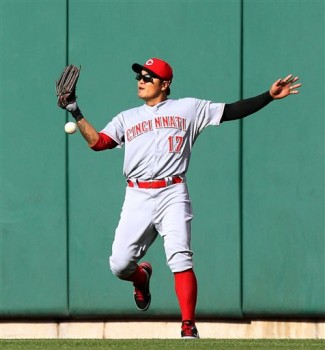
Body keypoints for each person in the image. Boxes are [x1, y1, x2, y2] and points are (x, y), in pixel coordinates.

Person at [58, 58, 301, 339]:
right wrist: (75, 110)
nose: (141, 80)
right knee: (120, 264)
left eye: (148, 77)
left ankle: (188, 325)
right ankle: (142, 278)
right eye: (139, 76)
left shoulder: (188, 108)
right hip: (137, 194)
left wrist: (268, 96)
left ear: (165, 84)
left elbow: (231, 110)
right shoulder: (127, 117)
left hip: (173, 192)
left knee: (180, 257)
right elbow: (98, 143)